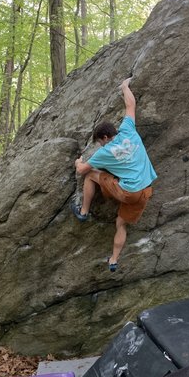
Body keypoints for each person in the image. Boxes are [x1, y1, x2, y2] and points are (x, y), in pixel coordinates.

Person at [73, 78, 157, 272]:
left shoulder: (104, 152)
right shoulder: (128, 130)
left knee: (90, 175)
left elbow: (82, 170)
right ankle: (113, 260)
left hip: (127, 192)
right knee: (121, 223)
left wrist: (78, 162)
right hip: (145, 191)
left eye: (100, 142)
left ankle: (84, 212)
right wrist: (125, 87)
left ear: (104, 137)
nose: (100, 146)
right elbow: (130, 104)